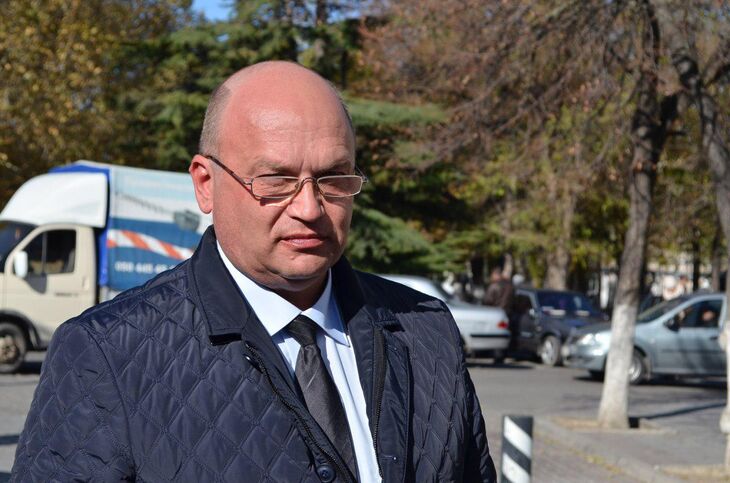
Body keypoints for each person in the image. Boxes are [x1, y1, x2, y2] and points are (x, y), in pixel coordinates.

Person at [12, 62, 496, 482]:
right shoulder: (108, 354)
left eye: (333, 179)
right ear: (206, 184)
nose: (309, 208)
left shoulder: (425, 330)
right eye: (276, 180)